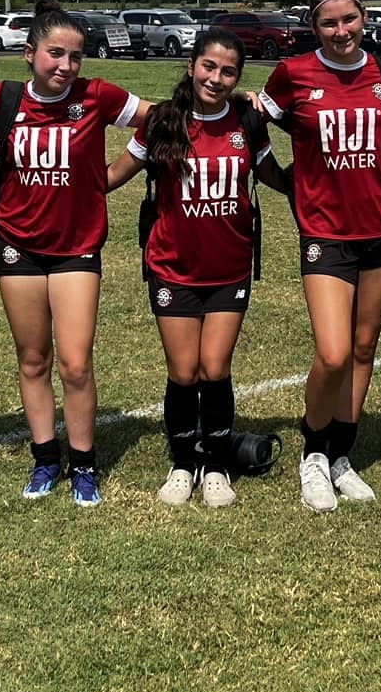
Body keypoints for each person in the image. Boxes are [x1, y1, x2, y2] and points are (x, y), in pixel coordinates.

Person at [0, 1, 146, 507]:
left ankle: (84, 463)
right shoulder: (6, 97)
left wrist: (113, 176)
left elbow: (159, 118)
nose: (65, 66)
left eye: (75, 56)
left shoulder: (97, 96)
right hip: (15, 244)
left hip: (76, 249)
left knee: (76, 363)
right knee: (32, 359)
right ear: (29, 54)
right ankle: (45, 458)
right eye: (55, 54)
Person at [255, 0, 381, 513]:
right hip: (325, 230)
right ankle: (314, 453)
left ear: (364, 17)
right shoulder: (293, 73)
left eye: (349, 19)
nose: (341, 30)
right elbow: (255, 124)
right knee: (333, 350)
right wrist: (282, 179)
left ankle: (341, 455)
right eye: (329, 21)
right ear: (313, 25)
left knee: (364, 347)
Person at [107, 28, 288, 508]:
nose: (217, 77)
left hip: (229, 268)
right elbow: (112, 176)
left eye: (229, 70)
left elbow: (274, 176)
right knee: (184, 372)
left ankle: (217, 466)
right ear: (191, 66)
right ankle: (184, 462)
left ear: (238, 77)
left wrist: (319, 187)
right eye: (209, 66)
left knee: (215, 367)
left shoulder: (247, 121)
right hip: (172, 267)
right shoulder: (163, 121)